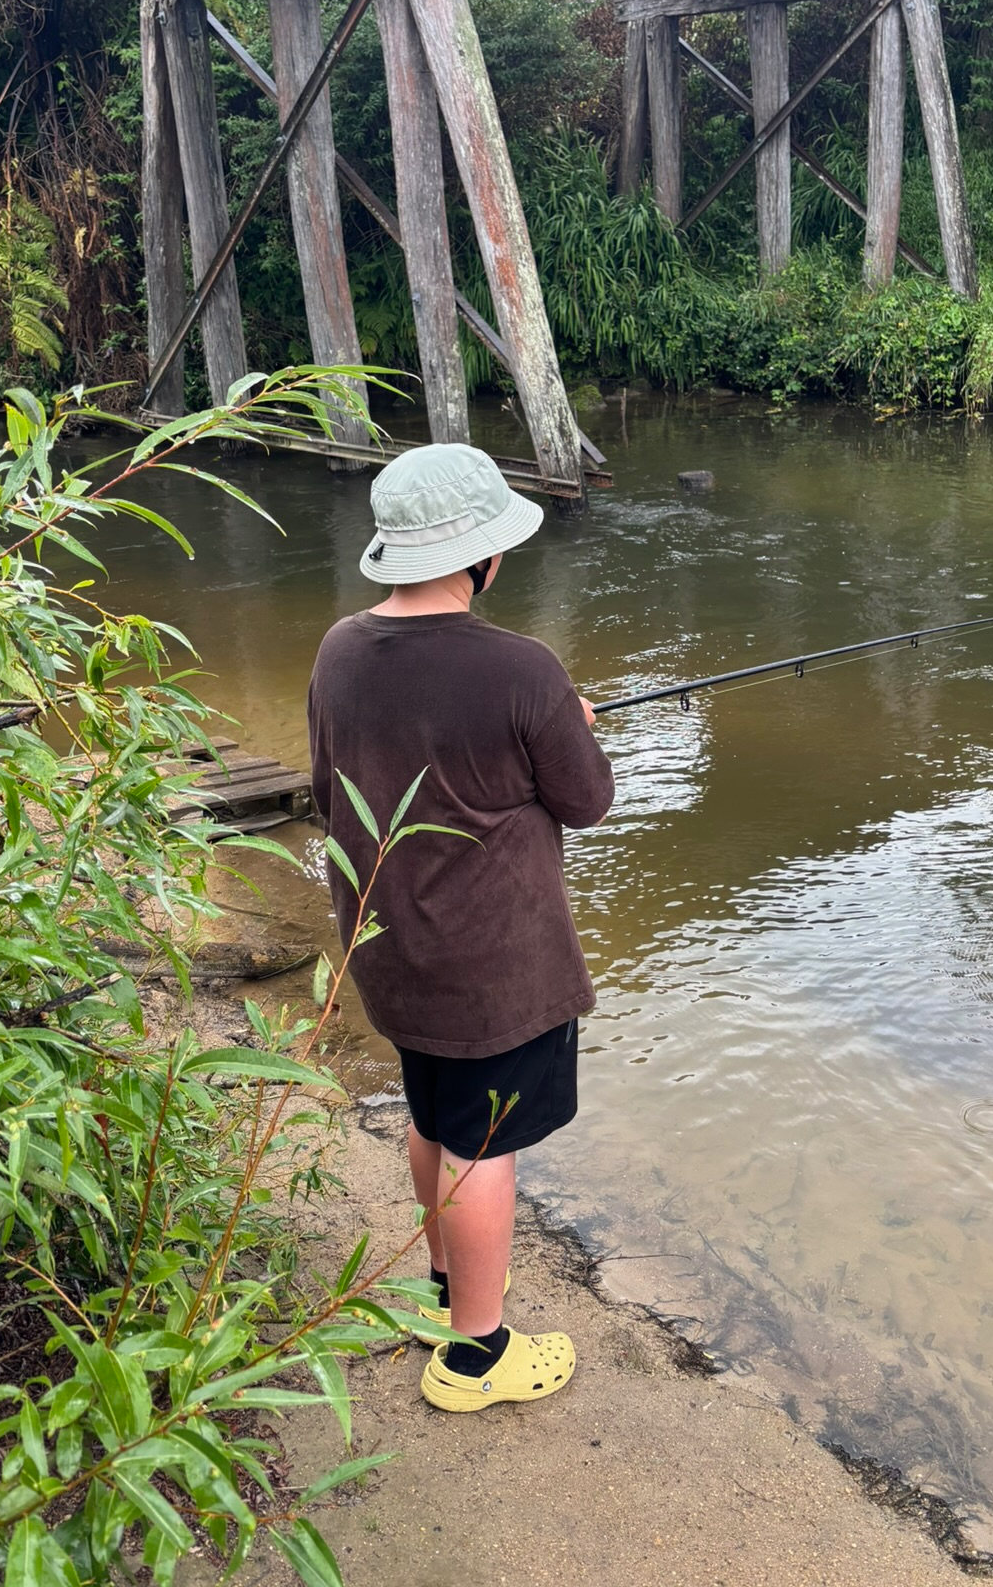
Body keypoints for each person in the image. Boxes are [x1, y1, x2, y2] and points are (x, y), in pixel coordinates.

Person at [307, 443, 614, 1414]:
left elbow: (329, 785)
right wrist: (574, 721)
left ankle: (445, 1283)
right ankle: (476, 1355)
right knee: (486, 1145)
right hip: (493, 968)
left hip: (392, 946)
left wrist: (549, 722)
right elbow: (587, 797)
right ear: (478, 557)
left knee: (431, 1112)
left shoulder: (339, 648)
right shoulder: (523, 669)